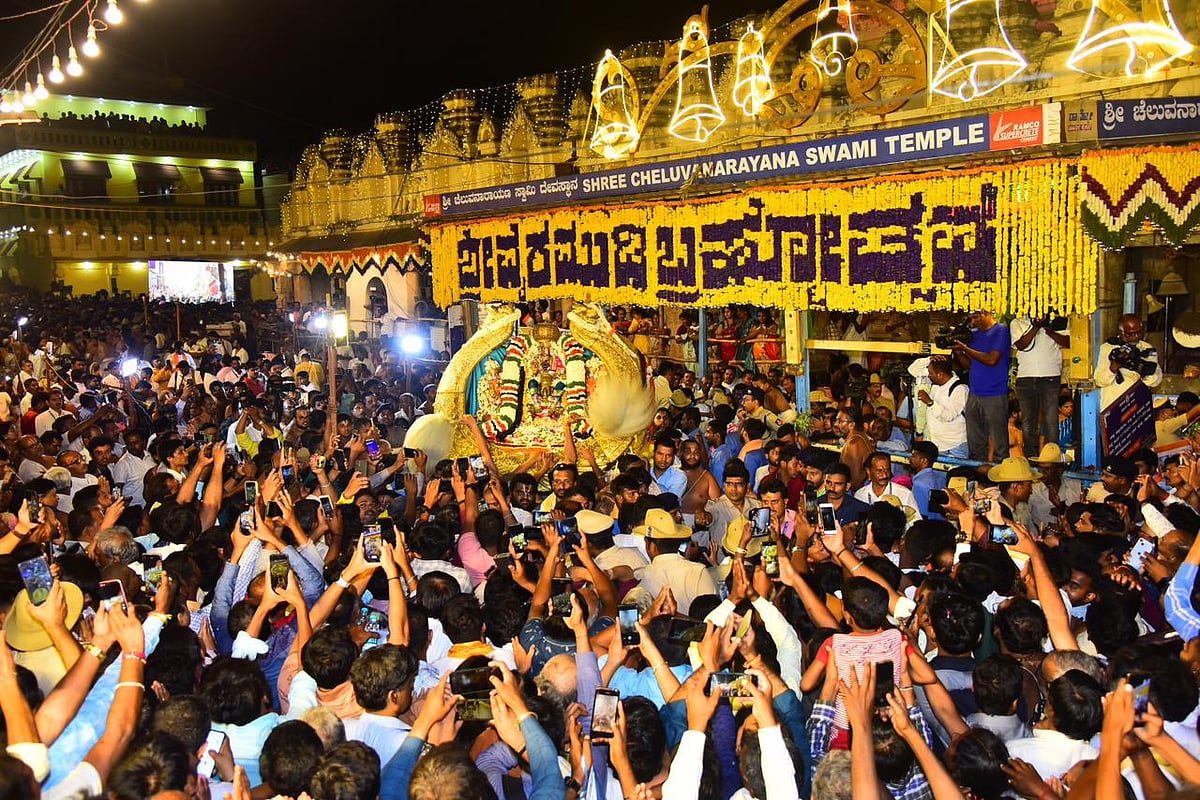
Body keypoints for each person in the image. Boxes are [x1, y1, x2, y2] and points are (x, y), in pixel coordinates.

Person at [954, 310, 1011, 461]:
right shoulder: (973, 334)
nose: (973, 321)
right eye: (970, 318)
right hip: (975, 392)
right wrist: (959, 352)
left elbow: (992, 359)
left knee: (998, 438)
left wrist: (965, 348)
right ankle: (978, 469)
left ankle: (1002, 471)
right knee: (975, 438)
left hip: (995, 392)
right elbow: (971, 364)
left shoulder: (1001, 330)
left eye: (975, 317)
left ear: (986, 313)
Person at [1010, 315, 1068, 457]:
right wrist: (1036, 326)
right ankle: (1030, 456)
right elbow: (1021, 345)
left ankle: (1052, 456)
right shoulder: (1018, 322)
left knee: (1051, 419)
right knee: (1028, 420)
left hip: (1050, 376)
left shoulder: (1058, 320)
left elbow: (1067, 342)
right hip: (1026, 377)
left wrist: (1049, 330)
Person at [1093, 313, 1163, 409]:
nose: (1136, 336)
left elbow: (1156, 380)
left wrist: (1141, 370)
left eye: (1139, 332)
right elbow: (1099, 380)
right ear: (1122, 332)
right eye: (1131, 333)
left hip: (1138, 406)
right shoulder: (1107, 348)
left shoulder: (1147, 348)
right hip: (1115, 406)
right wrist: (1114, 367)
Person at [918, 355, 969, 459]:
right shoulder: (936, 385)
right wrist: (928, 360)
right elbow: (913, 370)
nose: (928, 376)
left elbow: (948, 416)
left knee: (955, 475)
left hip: (955, 447)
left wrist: (930, 402)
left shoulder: (960, 389)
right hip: (937, 446)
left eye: (931, 374)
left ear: (940, 374)